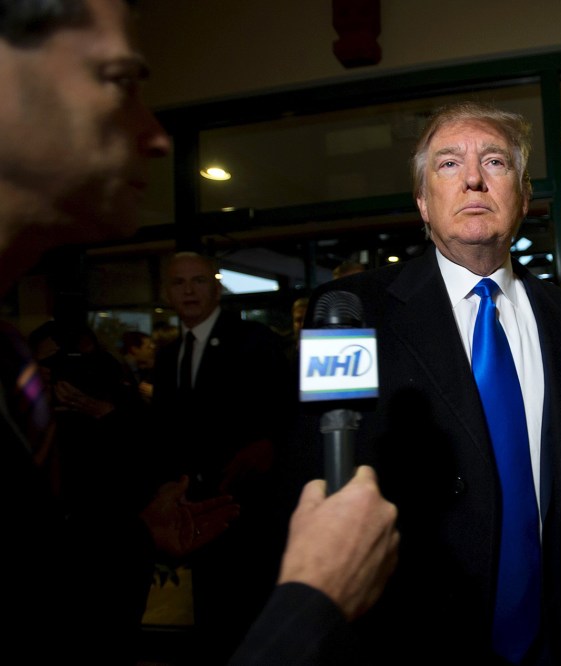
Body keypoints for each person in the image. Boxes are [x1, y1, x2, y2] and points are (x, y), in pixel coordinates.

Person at [0, 1, 398, 663]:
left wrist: (136, 539)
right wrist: (315, 600)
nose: (154, 135)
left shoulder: (12, 365)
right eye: (117, 81)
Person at [304, 100, 561, 665]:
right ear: (422, 201)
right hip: (416, 636)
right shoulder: (352, 313)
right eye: (447, 164)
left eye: (494, 162)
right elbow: (315, 477)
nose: (472, 179)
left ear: (523, 194)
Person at [151, 250, 299, 663]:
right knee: (212, 623)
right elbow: (167, 434)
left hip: (247, 511)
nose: (189, 291)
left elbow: (285, 417)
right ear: (167, 293)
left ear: (215, 287)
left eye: (198, 281)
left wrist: (267, 447)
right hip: (193, 514)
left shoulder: (254, 341)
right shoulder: (167, 357)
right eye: (179, 283)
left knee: (251, 620)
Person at [121, 329, 156, 402]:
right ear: (135, 349)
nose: (152, 350)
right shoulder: (120, 371)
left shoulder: (144, 369)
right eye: (148, 347)